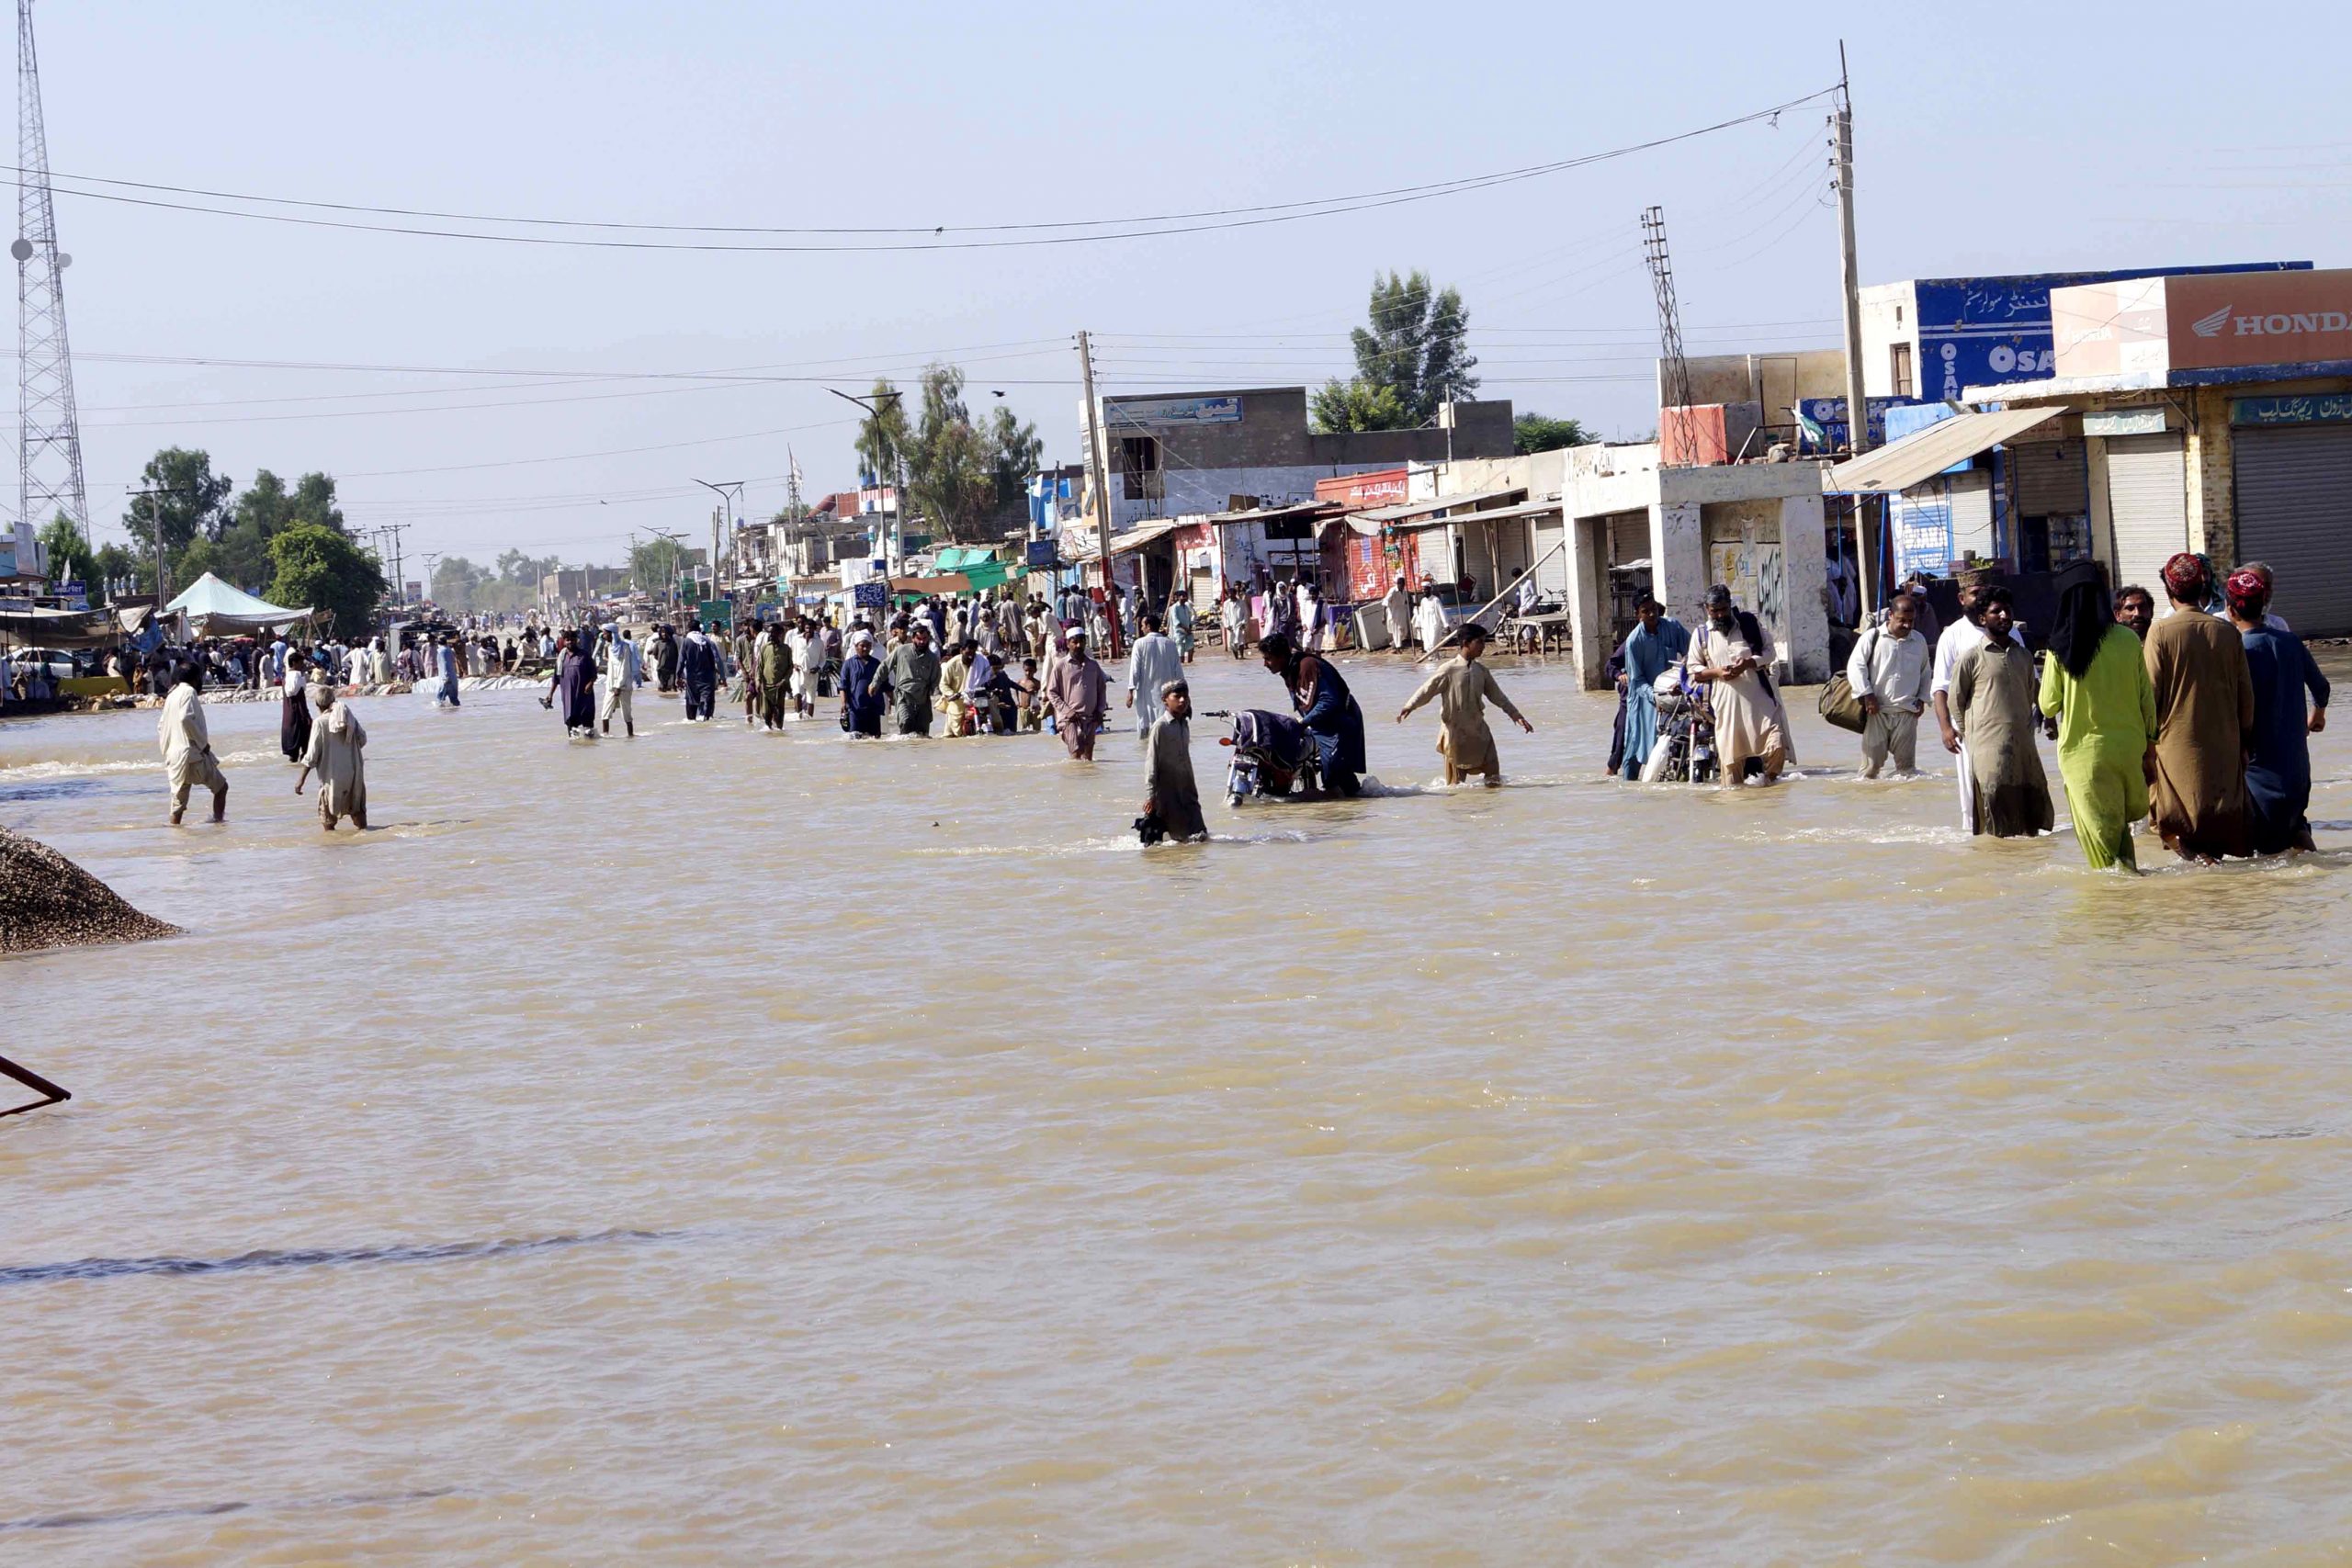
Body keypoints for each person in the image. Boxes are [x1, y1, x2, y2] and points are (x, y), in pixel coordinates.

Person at [2037, 581, 2158, 872]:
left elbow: (2048, 705)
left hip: (2085, 755)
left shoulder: (2061, 647)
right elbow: (2147, 700)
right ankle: (2137, 906)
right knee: (2121, 837)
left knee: (2102, 846)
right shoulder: (2129, 640)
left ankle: (2112, 906)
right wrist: (2150, 749)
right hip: (2128, 751)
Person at [2145, 553, 2255, 862]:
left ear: (2169, 590)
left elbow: (2150, 693)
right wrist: (2245, 741)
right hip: (2225, 742)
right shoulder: (2227, 631)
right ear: (2201, 587)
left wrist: (2146, 743)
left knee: (2174, 823)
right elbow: (2246, 697)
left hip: (2176, 744)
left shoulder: (2160, 632)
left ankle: (2201, 873)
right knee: (2220, 825)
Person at [2225, 567, 2329, 855]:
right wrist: (2317, 714)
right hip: (2298, 771)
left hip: (2259, 776)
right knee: (2297, 832)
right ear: (2264, 605)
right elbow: (2321, 687)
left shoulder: (2236, 652)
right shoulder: (2291, 642)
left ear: (2230, 609)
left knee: (2264, 862)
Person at [1948, 588, 2053, 839]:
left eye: (2008, 611)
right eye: (1997, 612)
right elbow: (1955, 699)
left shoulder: (2024, 655)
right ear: (1983, 619)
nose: (2004, 615)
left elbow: (2034, 694)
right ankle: (1995, 861)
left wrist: (2048, 720)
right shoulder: (1971, 657)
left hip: (2023, 742)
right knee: (1994, 798)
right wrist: (1969, 733)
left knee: (2030, 803)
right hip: (1986, 745)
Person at [1396, 622, 1533, 786]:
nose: (1483, 646)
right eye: (1480, 642)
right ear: (1466, 643)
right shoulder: (1448, 670)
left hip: (1479, 732)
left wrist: (1516, 715)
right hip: (1456, 735)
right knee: (1455, 787)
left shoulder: (1481, 671)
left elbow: (1498, 697)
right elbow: (1427, 689)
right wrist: (1409, 706)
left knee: (1494, 780)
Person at [1930, 581, 2021, 830]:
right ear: (1962, 599)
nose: (1980, 598)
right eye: (1975, 595)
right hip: (1972, 731)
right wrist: (1946, 728)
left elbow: (2026, 680)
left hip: (2012, 728)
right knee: (1975, 796)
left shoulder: (2011, 632)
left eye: (1985, 594)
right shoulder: (1953, 635)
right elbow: (1941, 687)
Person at [1689, 585, 1792, 785]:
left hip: (1759, 704)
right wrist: (1718, 672)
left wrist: (1749, 663)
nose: (1719, 614)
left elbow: (1770, 653)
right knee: (1732, 776)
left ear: (1730, 606)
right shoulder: (1701, 634)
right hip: (1726, 709)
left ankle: (1768, 787)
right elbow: (1694, 671)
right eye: (1714, 610)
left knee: (1777, 745)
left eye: (1723, 609)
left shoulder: (1748, 625)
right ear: (1706, 610)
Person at [1259, 629, 1367, 795]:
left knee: (1334, 772)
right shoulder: (1289, 671)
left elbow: (1329, 701)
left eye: (1268, 659)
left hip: (1341, 720)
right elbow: (1303, 702)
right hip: (1320, 724)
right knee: (1335, 777)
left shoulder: (1308, 665)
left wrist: (1304, 723)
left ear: (1281, 656)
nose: (1265, 664)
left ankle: (1352, 804)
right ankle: (1354, 803)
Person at [1847, 590, 1931, 779]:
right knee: (1869, 770)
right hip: (1877, 711)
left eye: (1911, 621)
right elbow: (1855, 667)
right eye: (1902, 620)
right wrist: (1867, 695)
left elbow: (1925, 672)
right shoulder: (1872, 637)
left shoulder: (1918, 640)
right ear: (1890, 615)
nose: (1907, 625)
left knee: (1907, 771)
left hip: (1906, 712)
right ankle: (1871, 806)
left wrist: (1922, 699)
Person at [1617, 596, 1690, 781]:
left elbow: (1692, 651)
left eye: (1654, 609)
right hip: (1645, 700)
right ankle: (1629, 790)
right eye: (1645, 611)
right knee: (1636, 749)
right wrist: (1656, 696)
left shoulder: (1673, 627)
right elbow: (1637, 681)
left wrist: (1688, 668)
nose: (1652, 614)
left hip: (1675, 694)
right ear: (1637, 615)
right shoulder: (1634, 641)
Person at [1140, 679, 1209, 843]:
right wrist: (1151, 796)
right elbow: (1151, 762)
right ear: (1165, 699)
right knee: (1178, 840)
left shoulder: (1184, 725)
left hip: (1188, 791)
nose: (1182, 700)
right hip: (1167, 794)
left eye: (1185, 696)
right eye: (1177, 696)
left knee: (1201, 838)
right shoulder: (1160, 727)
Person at [159, 661, 227, 826]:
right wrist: (203, 743)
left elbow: (161, 725)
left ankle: (176, 834)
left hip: (175, 756)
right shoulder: (189, 692)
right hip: (192, 753)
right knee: (221, 788)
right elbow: (186, 718)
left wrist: (167, 750)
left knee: (177, 806)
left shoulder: (172, 695)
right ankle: (219, 825)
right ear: (196, 678)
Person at [294, 682, 368, 831]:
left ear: (317, 704)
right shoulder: (347, 717)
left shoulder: (320, 723)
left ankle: (333, 849)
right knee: (358, 811)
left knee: (328, 819)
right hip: (354, 773)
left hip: (332, 776)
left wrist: (301, 780)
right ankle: (364, 846)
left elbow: (312, 755)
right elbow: (362, 739)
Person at [1046, 626, 1110, 761]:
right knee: (1076, 755)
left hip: (1091, 718)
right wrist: (1067, 711)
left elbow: (1101, 689)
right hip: (1070, 719)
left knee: (1088, 758)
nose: (1078, 645)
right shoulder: (1061, 666)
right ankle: (1075, 779)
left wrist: (1100, 711)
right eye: (1074, 642)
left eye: (1081, 641)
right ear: (1068, 643)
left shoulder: (1093, 665)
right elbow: (1052, 693)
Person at [1125, 613, 1183, 750]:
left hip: (1146, 697)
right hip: (1168, 696)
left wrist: (1130, 692)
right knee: (1167, 729)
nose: (1141, 628)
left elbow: (1135, 670)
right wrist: (1182, 695)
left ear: (1148, 626)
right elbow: (1178, 672)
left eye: (1142, 626)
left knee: (1146, 732)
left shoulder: (1139, 644)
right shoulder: (1170, 643)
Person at [873, 621, 941, 737]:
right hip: (904, 697)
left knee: (922, 734)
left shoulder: (933, 658)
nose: (922, 642)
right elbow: (885, 666)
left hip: (923, 700)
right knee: (906, 725)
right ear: (913, 638)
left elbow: (936, 678)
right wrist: (875, 683)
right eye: (919, 639)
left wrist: (932, 692)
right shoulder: (901, 651)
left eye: (925, 638)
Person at [544, 629, 598, 738]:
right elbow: (556, 678)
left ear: (576, 641)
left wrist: (590, 683)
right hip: (569, 697)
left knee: (588, 728)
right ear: (564, 642)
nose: (570, 642)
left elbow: (594, 673)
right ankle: (574, 749)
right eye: (567, 640)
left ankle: (591, 748)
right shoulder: (561, 658)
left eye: (572, 640)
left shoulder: (584, 655)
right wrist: (550, 694)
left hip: (584, 696)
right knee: (573, 730)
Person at [840, 629, 885, 738]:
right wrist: (843, 704)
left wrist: (893, 700)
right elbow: (843, 686)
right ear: (856, 646)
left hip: (873, 709)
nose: (865, 649)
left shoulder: (876, 663)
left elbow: (884, 683)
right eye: (862, 646)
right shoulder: (848, 664)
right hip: (855, 709)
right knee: (855, 740)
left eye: (868, 646)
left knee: (874, 741)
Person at [598, 624, 641, 738]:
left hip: (623, 685)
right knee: (605, 712)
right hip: (611, 685)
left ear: (612, 634)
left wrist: (619, 686)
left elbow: (624, 667)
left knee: (626, 713)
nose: (604, 636)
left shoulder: (624, 647)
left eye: (605, 633)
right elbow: (611, 668)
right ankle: (605, 734)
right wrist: (611, 685)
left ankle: (630, 735)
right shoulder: (610, 648)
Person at [755, 622, 793, 731]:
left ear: (780, 634)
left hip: (780, 685)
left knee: (779, 711)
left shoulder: (786, 649)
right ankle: (768, 731)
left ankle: (779, 731)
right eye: (769, 633)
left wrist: (784, 680)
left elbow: (790, 667)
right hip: (766, 685)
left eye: (773, 633)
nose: (771, 635)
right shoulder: (764, 648)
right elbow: (760, 666)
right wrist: (758, 680)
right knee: (766, 712)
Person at [679, 621, 719, 721]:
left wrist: (678, 676)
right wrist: (715, 677)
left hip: (692, 677)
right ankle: (707, 719)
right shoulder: (706, 641)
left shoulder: (686, 641)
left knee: (692, 701)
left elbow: (681, 660)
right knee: (708, 700)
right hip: (707, 677)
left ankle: (692, 721)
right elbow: (712, 659)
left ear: (688, 629)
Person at [279, 654, 313, 762]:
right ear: (294, 663)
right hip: (298, 713)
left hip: (291, 714)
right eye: (301, 663)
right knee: (306, 746)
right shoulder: (295, 676)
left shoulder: (289, 676)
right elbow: (293, 692)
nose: (302, 665)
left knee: (294, 752)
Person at [1413, 585, 1449, 657]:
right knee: (1427, 644)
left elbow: (1442, 612)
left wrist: (1446, 625)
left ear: (1430, 590)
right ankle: (1432, 660)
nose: (1424, 592)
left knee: (1433, 643)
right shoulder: (1423, 601)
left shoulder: (1436, 600)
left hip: (1434, 625)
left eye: (1425, 590)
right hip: (1425, 626)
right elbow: (1421, 613)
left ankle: (1434, 658)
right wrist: (1418, 624)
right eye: (1423, 590)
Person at [1382, 575, 1413, 654]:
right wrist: (1383, 616)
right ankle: (1398, 648)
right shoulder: (1392, 591)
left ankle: (1394, 644)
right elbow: (1385, 602)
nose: (1402, 586)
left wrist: (1412, 604)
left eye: (1403, 585)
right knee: (1397, 631)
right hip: (1394, 615)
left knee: (1404, 632)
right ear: (1398, 584)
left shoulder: (1404, 592)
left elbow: (1404, 602)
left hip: (1402, 614)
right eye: (1401, 585)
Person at [1169, 594, 1198, 664]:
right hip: (1179, 632)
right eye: (1183, 596)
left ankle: (1190, 663)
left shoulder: (1186, 607)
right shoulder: (1174, 607)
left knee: (1191, 647)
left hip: (1188, 631)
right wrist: (1185, 629)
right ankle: (1181, 665)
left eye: (1185, 596)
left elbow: (1189, 617)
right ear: (1179, 597)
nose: (1185, 598)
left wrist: (1190, 627)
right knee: (1180, 649)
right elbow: (1176, 621)